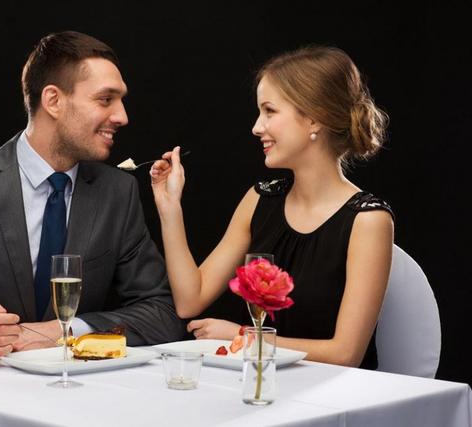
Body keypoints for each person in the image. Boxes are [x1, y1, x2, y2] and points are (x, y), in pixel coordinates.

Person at [0, 31, 185, 366]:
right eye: (106, 100)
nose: (122, 117)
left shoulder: (118, 191)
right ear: (53, 100)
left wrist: (64, 332)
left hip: (78, 391)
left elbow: (161, 313)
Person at [150, 46, 394, 369]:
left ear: (314, 118)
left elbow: (345, 354)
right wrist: (169, 208)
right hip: (261, 383)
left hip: (333, 392)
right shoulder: (260, 199)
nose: (256, 127)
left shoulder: (368, 220)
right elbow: (190, 300)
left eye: (269, 111)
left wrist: (244, 336)